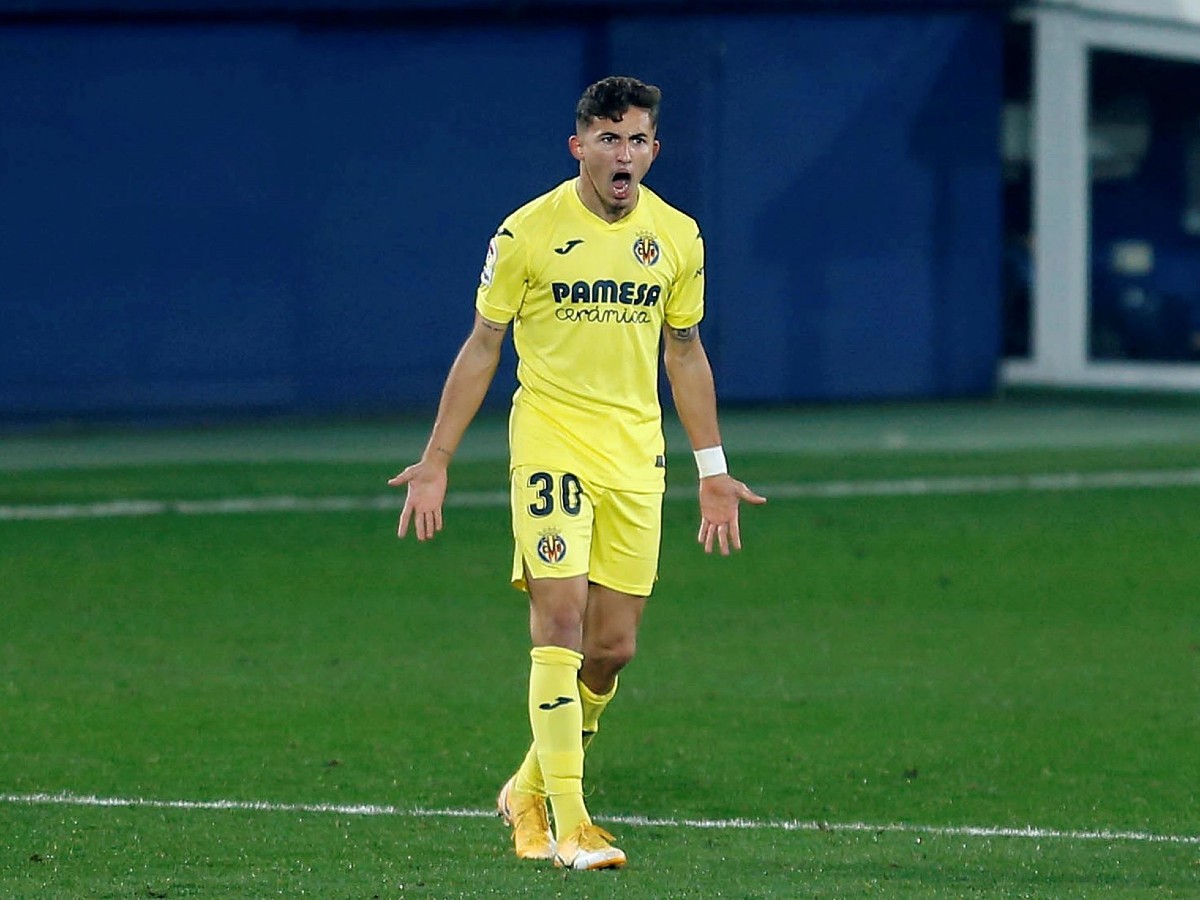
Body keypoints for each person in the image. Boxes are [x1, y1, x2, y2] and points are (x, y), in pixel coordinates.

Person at [389, 75, 765, 871]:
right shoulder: (527, 233)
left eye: (637, 140)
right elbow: (484, 344)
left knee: (614, 647)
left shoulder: (679, 237)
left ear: (654, 150)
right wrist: (437, 459)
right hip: (552, 442)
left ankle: (527, 786)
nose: (623, 154)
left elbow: (685, 353)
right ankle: (570, 821)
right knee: (558, 624)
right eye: (608, 139)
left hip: (635, 454)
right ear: (579, 147)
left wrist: (713, 468)